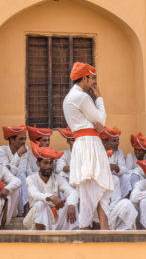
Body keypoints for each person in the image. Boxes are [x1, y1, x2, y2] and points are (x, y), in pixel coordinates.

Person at [63, 62, 113, 230]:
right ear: (84, 78)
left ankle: (98, 235)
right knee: (95, 192)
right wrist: (99, 97)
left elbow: (96, 122)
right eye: (92, 78)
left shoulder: (70, 97)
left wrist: (97, 125)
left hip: (85, 144)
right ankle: (93, 236)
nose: (94, 82)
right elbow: (101, 119)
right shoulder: (82, 97)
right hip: (89, 145)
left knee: (92, 193)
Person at [23, 142, 78, 230]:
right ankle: (40, 239)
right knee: (41, 204)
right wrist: (51, 197)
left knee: (71, 203)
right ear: (38, 164)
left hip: (55, 217)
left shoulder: (57, 178)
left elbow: (72, 192)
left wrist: (71, 205)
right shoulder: (31, 178)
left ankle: (72, 238)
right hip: (35, 220)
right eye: (45, 163)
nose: (49, 166)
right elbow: (35, 194)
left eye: (51, 163)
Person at [0, 125, 29, 216]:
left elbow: (21, 170)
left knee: (21, 176)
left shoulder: (25, 149)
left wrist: (10, 167)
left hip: (21, 179)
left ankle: (25, 207)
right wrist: (18, 154)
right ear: (12, 140)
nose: (24, 142)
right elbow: (5, 172)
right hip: (5, 181)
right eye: (21, 139)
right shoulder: (2, 150)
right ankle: (25, 207)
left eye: (25, 139)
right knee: (20, 177)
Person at [100, 127, 130, 198]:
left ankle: (124, 200)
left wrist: (116, 168)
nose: (117, 143)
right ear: (105, 142)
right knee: (114, 179)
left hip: (116, 178)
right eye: (114, 141)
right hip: (102, 181)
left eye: (117, 140)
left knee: (125, 177)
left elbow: (124, 169)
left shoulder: (119, 152)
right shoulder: (99, 152)